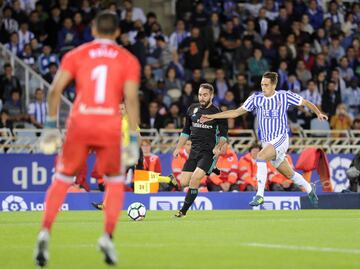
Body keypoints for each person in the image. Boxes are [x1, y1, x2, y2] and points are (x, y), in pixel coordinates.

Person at [34, 11, 140, 267]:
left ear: (92, 30)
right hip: (108, 125)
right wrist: (134, 139)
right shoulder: (128, 60)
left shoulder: (76, 54)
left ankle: (45, 230)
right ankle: (107, 236)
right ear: (117, 33)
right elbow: (132, 100)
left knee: (62, 178)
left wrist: (50, 125)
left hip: (80, 123)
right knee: (114, 181)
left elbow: (54, 90)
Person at [200, 72, 327, 207]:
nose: (263, 87)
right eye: (262, 84)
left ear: (274, 85)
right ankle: (309, 189)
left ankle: (260, 195)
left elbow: (305, 102)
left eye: (266, 85)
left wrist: (318, 112)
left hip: (281, 138)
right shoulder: (256, 98)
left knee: (260, 157)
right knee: (289, 174)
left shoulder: (284, 96)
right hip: (267, 142)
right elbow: (236, 112)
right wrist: (213, 116)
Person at [173, 83, 228, 217]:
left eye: (205, 95)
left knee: (195, 179)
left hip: (209, 152)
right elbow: (186, 131)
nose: (202, 98)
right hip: (194, 152)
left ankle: (183, 211)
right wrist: (178, 147)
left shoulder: (218, 113)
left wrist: (218, 146)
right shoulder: (192, 109)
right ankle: (211, 169)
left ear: (211, 96)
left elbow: (223, 136)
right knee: (183, 182)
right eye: (200, 94)